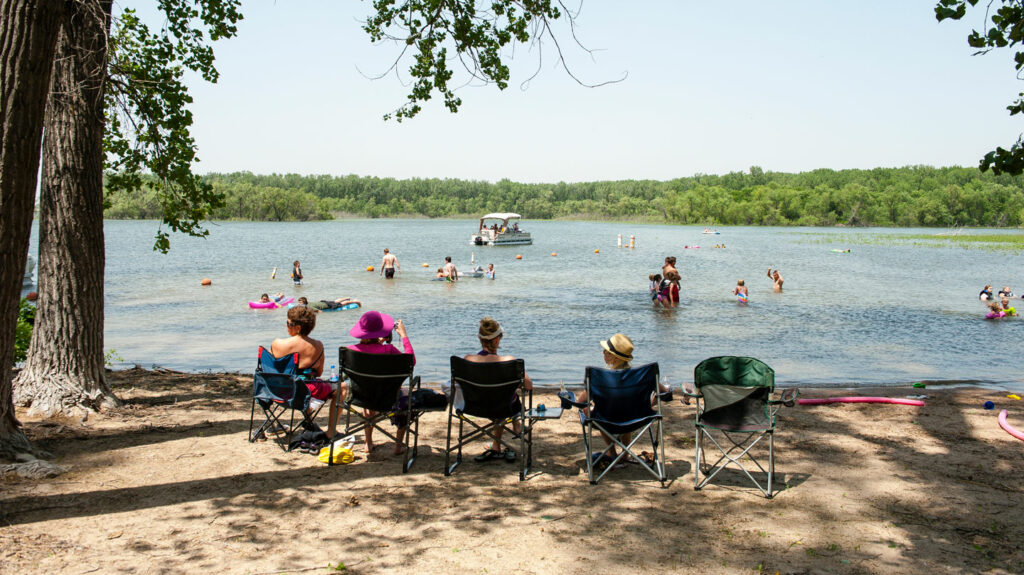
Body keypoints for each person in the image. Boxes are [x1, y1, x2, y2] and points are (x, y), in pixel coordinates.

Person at [571, 334, 666, 468]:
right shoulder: (644, 376)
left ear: (613, 357)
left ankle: (612, 452)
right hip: (636, 419)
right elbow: (665, 393)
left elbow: (581, 402)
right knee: (627, 409)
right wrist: (651, 402)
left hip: (606, 420)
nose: (602, 353)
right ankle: (625, 453)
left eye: (605, 351)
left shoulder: (599, 379)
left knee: (593, 410)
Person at [346, 310, 415, 455]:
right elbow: (410, 361)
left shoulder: (350, 351)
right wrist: (404, 335)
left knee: (368, 397)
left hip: (361, 398)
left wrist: (377, 343)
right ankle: (398, 445)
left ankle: (368, 443)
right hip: (389, 398)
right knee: (408, 395)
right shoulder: (389, 349)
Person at [466, 317, 533, 463]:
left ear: (479, 338)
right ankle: (517, 425)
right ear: (497, 340)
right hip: (503, 408)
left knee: (498, 394)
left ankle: (497, 445)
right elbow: (528, 386)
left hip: (474, 407)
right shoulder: (508, 362)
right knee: (505, 394)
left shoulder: (468, 360)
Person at [269, 306, 339, 439]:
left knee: (301, 384)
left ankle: (309, 421)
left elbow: (272, 369)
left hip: (277, 391)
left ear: (298, 327)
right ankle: (330, 430)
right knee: (340, 389)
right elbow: (318, 373)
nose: (286, 325)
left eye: (288, 323)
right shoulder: (317, 345)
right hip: (304, 393)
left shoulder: (277, 343)